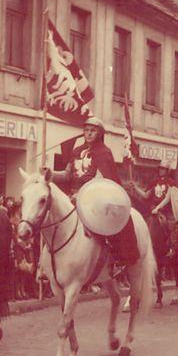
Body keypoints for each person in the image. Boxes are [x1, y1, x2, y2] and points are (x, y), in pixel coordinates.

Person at [51, 116, 140, 271]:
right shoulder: (77, 151)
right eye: (86, 130)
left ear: (99, 133)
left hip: (93, 198)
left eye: (92, 131)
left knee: (109, 221)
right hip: (72, 196)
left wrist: (83, 193)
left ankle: (115, 257)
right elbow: (66, 175)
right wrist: (49, 174)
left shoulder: (104, 153)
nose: (89, 134)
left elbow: (103, 179)